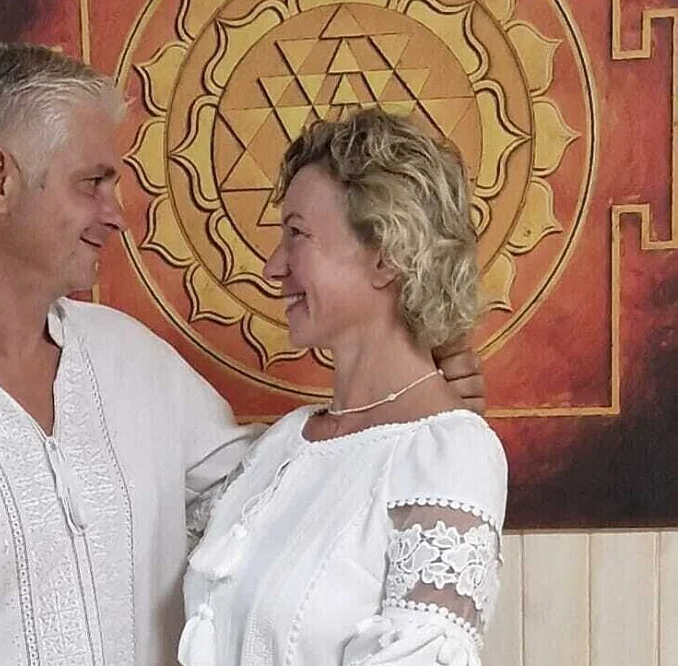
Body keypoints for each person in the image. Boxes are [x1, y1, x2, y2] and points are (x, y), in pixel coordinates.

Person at [0, 45, 486, 666]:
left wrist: (424, 421)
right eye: (93, 183)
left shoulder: (134, 361)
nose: (117, 213)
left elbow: (287, 503)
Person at [179, 110, 507, 666]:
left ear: (386, 255)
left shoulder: (448, 454)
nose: (272, 267)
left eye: (297, 235)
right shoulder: (284, 443)